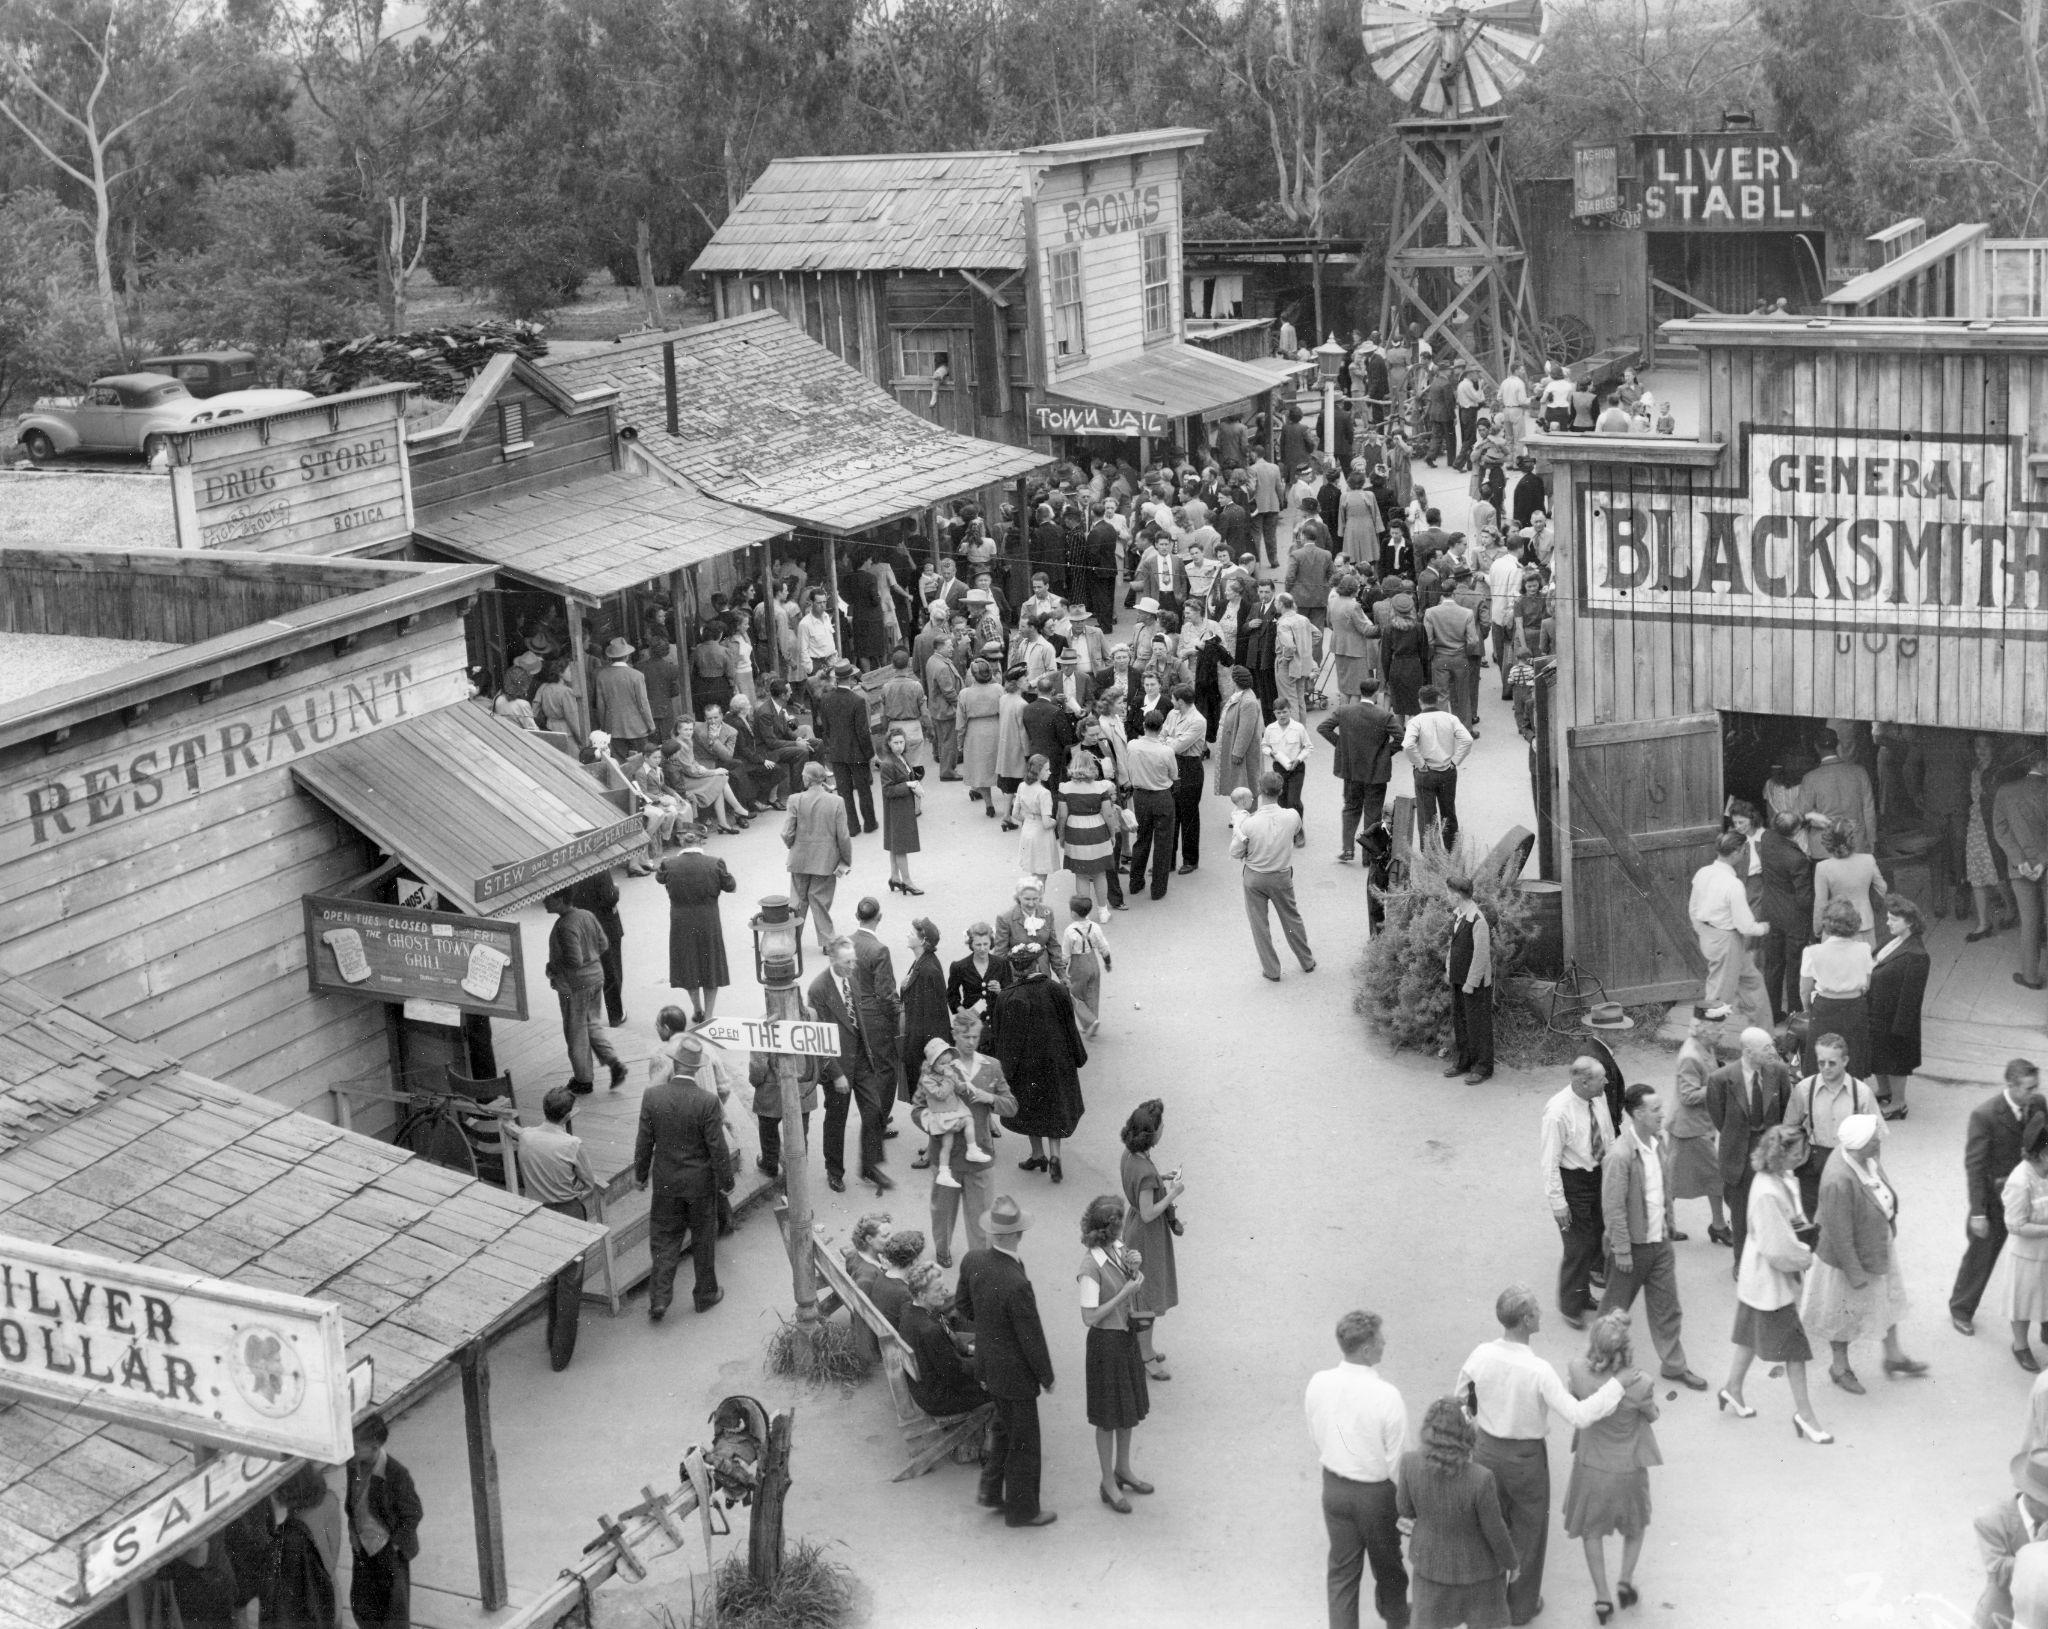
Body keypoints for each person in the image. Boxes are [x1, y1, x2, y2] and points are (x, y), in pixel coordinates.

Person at [1458, 1286, 1629, 1628]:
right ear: (1525, 1320)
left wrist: (1476, 1427)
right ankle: (1521, 1607)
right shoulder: (1538, 1370)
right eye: (1535, 1310)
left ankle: (1486, 1603)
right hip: (1525, 1459)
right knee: (1528, 1532)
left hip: (1485, 1450)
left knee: (1489, 1526)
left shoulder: (1480, 1355)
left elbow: (1461, 1399)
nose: (1540, 1313)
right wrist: (1617, 1385)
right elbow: (1579, 1415)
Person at [1719, 1123, 1830, 1441]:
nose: (1803, 1156)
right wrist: (1806, 1256)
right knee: (1795, 1351)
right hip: (1770, 1282)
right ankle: (1805, 1416)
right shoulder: (1766, 1190)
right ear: (1781, 1155)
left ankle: (1733, 1389)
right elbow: (1777, 1249)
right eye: (1797, 1152)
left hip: (1761, 1282)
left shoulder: (1783, 1177)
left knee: (1748, 1336)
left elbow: (1792, 1218)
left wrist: (1804, 1230)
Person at [1802, 1112, 1927, 1392]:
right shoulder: (1838, 1180)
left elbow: (1880, 1190)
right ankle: (1839, 1367)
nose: (1879, 1140)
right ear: (1858, 1145)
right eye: (1874, 1139)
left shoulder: (1864, 1156)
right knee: (1842, 1313)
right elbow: (1839, 1234)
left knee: (1888, 1299)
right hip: (1847, 1261)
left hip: (1874, 1245)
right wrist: (1855, 1274)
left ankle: (1893, 1357)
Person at [956, 1195, 1058, 1527]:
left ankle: (990, 1491)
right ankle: (1022, 1510)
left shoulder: (973, 1261)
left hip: (988, 1365)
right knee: (1025, 1441)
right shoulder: (1017, 1283)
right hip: (1015, 1375)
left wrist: (989, 1331)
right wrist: (1047, 1376)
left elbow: (964, 1307)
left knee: (1003, 1428)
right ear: (1017, 1234)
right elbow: (1032, 1336)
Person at [1305, 1310, 1412, 1629]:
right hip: (1376, 1495)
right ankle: (1395, 1620)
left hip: (1334, 1488)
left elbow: (1316, 1432)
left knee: (1342, 1573)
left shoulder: (1319, 1382)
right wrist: (1406, 1505)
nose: (1384, 1342)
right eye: (1380, 1339)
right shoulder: (1387, 1395)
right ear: (1366, 1349)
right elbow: (1397, 1460)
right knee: (1390, 1569)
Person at [1598, 1083, 1708, 1389]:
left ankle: (1674, 1365)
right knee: (1612, 1314)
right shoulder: (1620, 1155)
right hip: (1630, 1248)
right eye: (1656, 1109)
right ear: (1637, 1114)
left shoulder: (1658, 1143)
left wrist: (1669, 1226)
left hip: (1659, 1244)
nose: (1663, 1114)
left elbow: (1663, 1191)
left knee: (1667, 1309)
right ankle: (1597, 1367)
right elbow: (1613, 1207)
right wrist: (1621, 1250)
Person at [1561, 1312, 1660, 1622]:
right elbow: (1653, 1414)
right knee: (1635, 1526)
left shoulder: (1577, 1370)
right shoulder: (1641, 1383)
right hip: (1628, 1470)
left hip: (1590, 1467)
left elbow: (1574, 1395)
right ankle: (1625, 1581)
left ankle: (1602, 1597)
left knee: (1592, 1531)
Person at [496, 1085, 599, 1370]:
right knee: (569, 1284)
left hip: (540, 1215)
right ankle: (560, 1354)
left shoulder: (527, 1136)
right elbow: (588, 1183)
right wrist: (571, 1188)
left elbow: (512, 1129)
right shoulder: (572, 1145)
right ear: (567, 1116)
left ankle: (551, 1337)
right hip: (568, 1213)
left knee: (554, 1278)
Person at [634, 1023, 733, 1318]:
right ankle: (705, 1294)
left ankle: (660, 1299)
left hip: (666, 1181)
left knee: (664, 1238)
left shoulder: (653, 1097)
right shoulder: (707, 1101)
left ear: (675, 1063)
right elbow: (718, 1147)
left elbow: (644, 1142)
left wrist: (640, 1176)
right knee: (703, 1238)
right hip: (700, 1184)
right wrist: (726, 1181)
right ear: (695, 1069)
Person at [1398, 1396, 1516, 1629]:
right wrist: (1512, 1562)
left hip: (1431, 1568)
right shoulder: (1481, 1478)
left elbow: (1404, 1510)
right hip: (1480, 1573)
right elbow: (1495, 1530)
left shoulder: (1409, 1463)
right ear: (1466, 1433)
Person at [913, 1008, 1018, 1264]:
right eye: (965, 1036)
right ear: (954, 1035)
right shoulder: (938, 1066)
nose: (971, 1042)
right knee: (942, 1213)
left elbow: (1012, 1106)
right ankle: (942, 1249)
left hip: (979, 1155)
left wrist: (990, 1098)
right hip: (945, 1155)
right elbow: (917, 1108)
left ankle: (979, 1262)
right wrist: (935, 1124)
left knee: (981, 1218)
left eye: (975, 1036)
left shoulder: (991, 1066)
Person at [1955, 1059, 2046, 1337]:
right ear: (2011, 1085)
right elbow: (1975, 1166)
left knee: (2042, 1259)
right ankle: (1961, 1309)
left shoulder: (2039, 1104)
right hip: (1996, 1199)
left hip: (2032, 1194)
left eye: (2035, 1087)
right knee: (1981, 1256)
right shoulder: (1985, 1115)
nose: (2033, 1093)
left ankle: (2045, 1322)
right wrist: (1978, 1212)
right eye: (2028, 1088)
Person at [1076, 1193, 1153, 1514]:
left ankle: (1123, 1469)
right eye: (1121, 1222)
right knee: (1107, 1420)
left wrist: (1135, 1269)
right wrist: (1125, 1291)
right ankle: (1108, 1481)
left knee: (1128, 1412)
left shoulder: (1118, 1250)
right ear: (1110, 1228)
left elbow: (1132, 1281)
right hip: (1105, 1346)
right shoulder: (1089, 1266)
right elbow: (1089, 1317)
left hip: (1124, 1339)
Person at [992, 941, 1088, 1182]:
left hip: (1026, 1068)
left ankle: (1037, 1154)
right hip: (1056, 1062)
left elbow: (1005, 1041)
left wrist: (1004, 1072)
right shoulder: (1056, 990)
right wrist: (1077, 1056)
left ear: (1015, 969)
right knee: (1054, 1109)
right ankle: (1055, 1156)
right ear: (1037, 963)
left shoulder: (1007, 997)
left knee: (1030, 1110)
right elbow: (1070, 1028)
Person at [1706, 1025, 1794, 1271]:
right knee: (1741, 1212)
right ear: (1747, 1052)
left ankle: (1773, 1259)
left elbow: (1786, 1109)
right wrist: (1739, 1136)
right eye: (1766, 1048)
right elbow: (1719, 1117)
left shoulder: (1778, 1072)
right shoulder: (1721, 1079)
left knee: (1774, 1207)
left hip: (1770, 1150)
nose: (1772, 1051)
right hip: (1739, 1154)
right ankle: (1741, 1262)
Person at [809, 938, 893, 1195]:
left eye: (853, 960)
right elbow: (818, 1039)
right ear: (832, 960)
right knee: (837, 1119)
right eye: (847, 962)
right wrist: (835, 1074)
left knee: (874, 1110)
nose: (853, 966)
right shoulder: (819, 990)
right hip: (838, 1066)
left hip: (861, 1059)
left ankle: (869, 1166)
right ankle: (834, 1172)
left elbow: (859, 1022)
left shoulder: (852, 979)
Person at [1543, 1057, 1619, 1326]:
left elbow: (1608, 1137)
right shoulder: (1557, 1112)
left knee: (1595, 1237)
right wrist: (1558, 1204)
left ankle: (1582, 1294)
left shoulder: (1597, 1099)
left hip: (1597, 1175)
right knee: (1578, 1246)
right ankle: (1569, 1306)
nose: (1607, 1082)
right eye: (1601, 1079)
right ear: (1583, 1082)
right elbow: (1549, 1161)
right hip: (1573, 1182)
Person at [1783, 1031, 1883, 1223]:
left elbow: (1874, 1138)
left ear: (1845, 1061)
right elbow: (1789, 1129)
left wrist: (1874, 1173)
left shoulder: (1861, 1093)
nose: (1826, 1068)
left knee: (1845, 1218)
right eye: (1821, 1063)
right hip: (1814, 1162)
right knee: (1812, 1219)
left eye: (1832, 1063)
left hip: (1849, 1161)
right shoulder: (1804, 1089)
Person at [1231, 770, 1317, 983]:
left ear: (1260, 791)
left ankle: (1272, 970)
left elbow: (1235, 852)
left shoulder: (1249, 823)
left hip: (1255, 877)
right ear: (1281, 791)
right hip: (1281, 875)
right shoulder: (1292, 816)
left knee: (1260, 924)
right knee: (1291, 918)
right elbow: (1297, 832)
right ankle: (1306, 961)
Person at [543, 889, 627, 1095]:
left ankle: (583, 1080)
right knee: (591, 1024)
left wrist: (553, 967)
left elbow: (574, 960)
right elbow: (604, 944)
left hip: (575, 985)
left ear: (561, 900)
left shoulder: (565, 926)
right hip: (595, 978)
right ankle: (613, 1061)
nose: (544, 901)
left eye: (549, 898)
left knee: (576, 1033)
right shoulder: (587, 915)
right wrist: (591, 957)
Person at [1688, 830, 1772, 1030]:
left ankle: (1763, 1037)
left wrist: (1702, 930)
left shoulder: (1703, 873)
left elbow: (1693, 908)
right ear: (1736, 852)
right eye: (1744, 850)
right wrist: (1763, 928)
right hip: (1727, 940)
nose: (1744, 854)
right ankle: (1701, 1045)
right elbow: (1745, 926)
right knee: (1719, 997)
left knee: (1753, 983)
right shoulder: (1733, 885)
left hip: (1709, 933)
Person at [346, 1414, 421, 1629]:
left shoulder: (396, 1473)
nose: (351, 1452)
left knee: (393, 1610)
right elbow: (353, 1502)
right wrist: (354, 1529)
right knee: (364, 1604)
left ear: (375, 1446)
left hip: (388, 1551)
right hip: (362, 1547)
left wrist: (395, 1544)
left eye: (356, 1447)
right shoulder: (353, 1466)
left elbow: (413, 1512)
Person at [655, 826, 733, 1025]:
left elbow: (659, 878)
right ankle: (708, 1016)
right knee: (710, 967)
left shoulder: (669, 864)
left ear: (682, 841)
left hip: (681, 922)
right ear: (701, 841)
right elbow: (731, 886)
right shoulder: (715, 863)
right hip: (708, 921)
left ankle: (697, 1008)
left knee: (688, 965)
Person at [1666, 1010, 1728, 1243]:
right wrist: (1719, 1083)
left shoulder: (1705, 1046)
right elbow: (1688, 1096)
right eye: (1718, 1028)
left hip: (1697, 1126)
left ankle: (1664, 1225)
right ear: (1702, 1028)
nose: (1723, 1032)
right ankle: (1719, 1225)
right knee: (1715, 1177)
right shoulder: (1691, 1056)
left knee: (1674, 1179)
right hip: (1690, 1129)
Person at [1322, 675, 1398, 864]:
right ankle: (1368, 856)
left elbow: (1324, 728)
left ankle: (1347, 850)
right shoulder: (1384, 715)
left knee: (1350, 808)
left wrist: (1341, 745)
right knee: (1373, 812)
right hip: (1376, 772)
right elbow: (1401, 738)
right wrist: (1385, 753)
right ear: (1376, 695)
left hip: (1351, 771)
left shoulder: (1344, 711)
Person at [900, 1263, 991, 1418]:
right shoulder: (930, 1330)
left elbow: (944, 1325)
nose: (945, 1292)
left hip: (923, 1385)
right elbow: (955, 1373)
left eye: (943, 1287)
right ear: (922, 1295)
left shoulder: (910, 1308)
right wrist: (984, 1371)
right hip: (938, 1398)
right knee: (1003, 1387)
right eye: (938, 1290)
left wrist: (968, 1350)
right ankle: (995, 1435)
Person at [1867, 895, 1930, 1119]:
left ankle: (1898, 1103)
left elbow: (1911, 998)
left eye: (1894, 919)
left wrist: (1900, 1029)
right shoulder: (1893, 940)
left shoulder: (1917, 954)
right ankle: (1884, 1091)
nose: (1888, 923)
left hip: (1895, 1017)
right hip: (1878, 1010)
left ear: (1909, 922)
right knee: (1879, 1056)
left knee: (1895, 1060)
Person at [1799, 901, 1875, 1077]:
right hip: (1855, 1007)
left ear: (1827, 924)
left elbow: (1805, 989)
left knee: (1821, 1058)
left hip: (1824, 1007)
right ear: (1854, 924)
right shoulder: (1864, 949)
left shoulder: (1812, 952)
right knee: (1852, 1057)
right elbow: (1867, 984)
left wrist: (1808, 1009)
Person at [782, 761, 852, 953]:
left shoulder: (795, 799)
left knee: (797, 900)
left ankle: (792, 941)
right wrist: (845, 860)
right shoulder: (837, 802)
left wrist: (793, 847)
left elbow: (787, 832)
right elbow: (843, 836)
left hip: (799, 859)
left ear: (807, 778)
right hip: (826, 861)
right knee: (820, 900)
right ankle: (828, 942)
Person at [1757, 809, 1815, 1023]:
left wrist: (1803, 820)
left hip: (1771, 912)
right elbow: (1804, 899)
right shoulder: (1797, 859)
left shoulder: (1767, 838)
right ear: (1796, 831)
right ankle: (1794, 1011)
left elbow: (1783, 827)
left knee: (1773, 964)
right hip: (1794, 918)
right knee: (1795, 965)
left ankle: (1772, 1012)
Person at [1403, 685, 1472, 852]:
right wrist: (1455, 761)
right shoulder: (1450, 718)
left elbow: (1408, 745)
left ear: (1420, 702)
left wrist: (1420, 764)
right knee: (1449, 813)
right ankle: (1452, 852)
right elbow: (1467, 740)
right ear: (1437, 700)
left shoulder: (1415, 721)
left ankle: (1431, 855)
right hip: (1447, 771)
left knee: (1427, 816)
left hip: (1426, 773)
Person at [816, 660, 879, 834]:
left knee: (844, 792)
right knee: (864, 789)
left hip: (837, 752)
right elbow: (863, 732)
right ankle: (870, 823)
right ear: (851, 678)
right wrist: (870, 754)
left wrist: (832, 747)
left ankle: (852, 827)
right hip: (857, 752)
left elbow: (826, 728)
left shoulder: (826, 699)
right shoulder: (857, 700)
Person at [1444, 872, 1494, 1084]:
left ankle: (1483, 1066)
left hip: (1474, 984)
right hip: (1458, 979)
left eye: (1448, 892)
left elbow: (1481, 956)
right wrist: (1449, 970)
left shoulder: (1477, 920)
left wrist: (1471, 983)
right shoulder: (1458, 915)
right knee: (1460, 1021)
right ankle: (1463, 1060)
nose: (1446, 896)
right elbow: (1452, 947)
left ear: (1457, 895)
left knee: (1478, 1025)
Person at [2007, 1114, 2048, 1372]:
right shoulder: (2020, 1181)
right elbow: (2015, 1225)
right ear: (2042, 1153)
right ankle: (2020, 1346)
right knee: (2022, 1302)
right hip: (2027, 1254)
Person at [1056, 748, 1118, 918]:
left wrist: (1062, 835)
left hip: (1075, 831)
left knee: (1081, 875)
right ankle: (1103, 911)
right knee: (1100, 873)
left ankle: (1085, 914)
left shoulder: (1065, 788)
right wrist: (1112, 834)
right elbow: (1108, 814)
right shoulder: (1100, 787)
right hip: (1097, 830)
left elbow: (1062, 815)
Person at [1127, 710, 1180, 900]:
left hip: (1140, 796)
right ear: (1161, 727)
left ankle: (1135, 882)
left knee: (1142, 839)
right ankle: (1158, 888)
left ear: (1144, 725)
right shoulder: (1166, 751)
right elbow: (1173, 775)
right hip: (1161, 796)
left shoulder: (1132, 745)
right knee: (1163, 843)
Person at [568, 866, 626, 1029]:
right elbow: (609, 897)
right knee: (611, 970)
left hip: (581, 928)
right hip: (605, 926)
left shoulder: (570, 870)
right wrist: (616, 889)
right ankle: (615, 1015)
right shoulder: (600, 868)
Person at [1812, 820, 1888, 945]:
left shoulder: (1823, 867)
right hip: (1864, 923)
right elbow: (1882, 887)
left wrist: (1818, 929)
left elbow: (1820, 903)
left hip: (1834, 926)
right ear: (1852, 839)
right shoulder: (1868, 860)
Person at [877, 724, 924, 895]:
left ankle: (895, 877)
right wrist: (908, 784)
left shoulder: (902, 758)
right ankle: (908, 881)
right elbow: (888, 790)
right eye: (895, 743)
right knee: (901, 846)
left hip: (902, 806)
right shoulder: (888, 764)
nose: (899, 746)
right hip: (897, 808)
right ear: (888, 743)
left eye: (902, 742)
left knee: (895, 845)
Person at [958, 659, 1005, 815]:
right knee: (999, 767)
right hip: (996, 728)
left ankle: (989, 804)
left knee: (981, 770)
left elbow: (961, 722)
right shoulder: (998, 689)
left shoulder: (965, 694)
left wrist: (960, 742)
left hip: (975, 732)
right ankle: (1009, 801)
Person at [1061, 894, 1112, 1036]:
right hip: (1093, 961)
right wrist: (1107, 963)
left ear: (1073, 913)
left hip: (1078, 964)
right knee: (1092, 993)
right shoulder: (1094, 927)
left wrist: (1063, 972)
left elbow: (1065, 954)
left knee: (1074, 994)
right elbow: (1104, 946)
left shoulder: (1070, 930)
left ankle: (1089, 1021)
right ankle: (1093, 1020)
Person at [593, 636, 656, 752]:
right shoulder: (636, 675)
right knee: (640, 762)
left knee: (618, 763)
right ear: (627, 656)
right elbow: (643, 704)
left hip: (613, 728)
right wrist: (651, 725)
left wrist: (603, 726)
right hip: (638, 728)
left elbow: (600, 705)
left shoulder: (601, 676)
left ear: (610, 657)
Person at [1264, 693, 1312, 838]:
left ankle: (1299, 830)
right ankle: (1286, 831)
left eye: (1284, 712)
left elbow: (1308, 747)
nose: (1282, 715)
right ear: (1274, 714)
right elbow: (1264, 746)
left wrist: (1298, 759)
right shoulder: (1270, 729)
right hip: (1279, 768)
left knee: (1294, 801)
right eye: (1278, 713)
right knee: (1282, 800)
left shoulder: (1298, 728)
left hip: (1297, 768)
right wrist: (1271, 753)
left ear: (1290, 711)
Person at [947, 921, 1010, 1022]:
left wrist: (999, 991)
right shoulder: (959, 966)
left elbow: (1010, 993)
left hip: (997, 1021)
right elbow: (952, 996)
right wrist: (963, 1012)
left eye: (986, 944)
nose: (983, 948)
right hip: (972, 1024)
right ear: (971, 944)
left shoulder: (1002, 963)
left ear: (991, 942)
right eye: (978, 945)